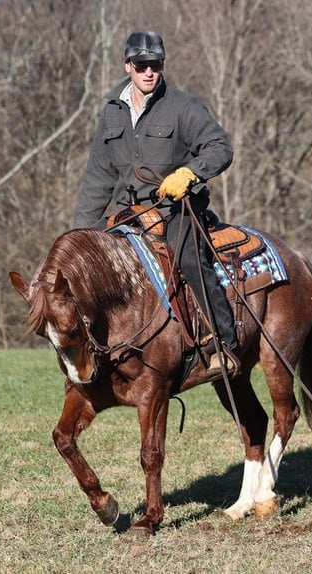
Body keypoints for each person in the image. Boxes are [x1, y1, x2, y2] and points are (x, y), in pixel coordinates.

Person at [73, 30, 239, 379]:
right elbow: (98, 178)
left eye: (156, 65)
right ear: (127, 66)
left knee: (191, 259)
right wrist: (80, 237)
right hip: (125, 215)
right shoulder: (112, 112)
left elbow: (219, 148)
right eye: (141, 65)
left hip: (174, 211)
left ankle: (223, 344)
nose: (149, 72)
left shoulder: (183, 107)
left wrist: (189, 174)